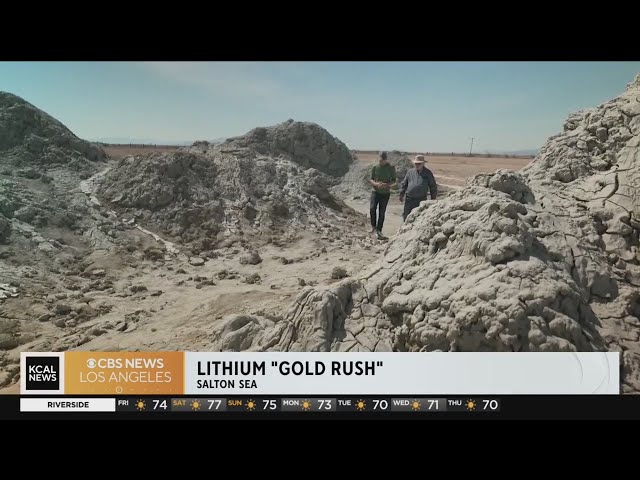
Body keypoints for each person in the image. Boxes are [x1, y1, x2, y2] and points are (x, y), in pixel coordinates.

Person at [399, 155, 437, 221]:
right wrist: (401, 194)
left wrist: (433, 198)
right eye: (416, 163)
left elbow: (432, 186)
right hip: (409, 200)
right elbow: (404, 184)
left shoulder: (428, 173)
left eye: (419, 163)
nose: (417, 165)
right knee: (406, 217)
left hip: (421, 200)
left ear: (423, 164)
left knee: (418, 218)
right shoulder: (410, 172)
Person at [369, 151, 396, 240]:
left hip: (385, 193)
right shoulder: (375, 167)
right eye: (380, 160)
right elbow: (371, 179)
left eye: (383, 160)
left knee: (382, 212)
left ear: (386, 160)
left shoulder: (391, 168)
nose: (381, 162)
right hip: (375, 191)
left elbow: (394, 180)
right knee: (372, 208)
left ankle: (379, 230)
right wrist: (376, 184)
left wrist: (386, 185)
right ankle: (373, 227)